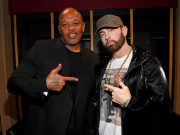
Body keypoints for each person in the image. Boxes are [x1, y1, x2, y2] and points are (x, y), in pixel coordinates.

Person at [7, 7, 99, 135]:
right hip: (45, 129)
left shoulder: (93, 58)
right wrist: (44, 84)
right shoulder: (41, 48)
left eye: (75, 23)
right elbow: (13, 83)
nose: (71, 28)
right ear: (59, 29)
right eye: (65, 24)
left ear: (83, 27)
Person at [93, 14, 173, 135]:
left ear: (124, 31)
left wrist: (129, 102)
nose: (107, 37)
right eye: (102, 34)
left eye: (111, 30)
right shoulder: (101, 67)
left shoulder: (147, 62)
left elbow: (163, 109)